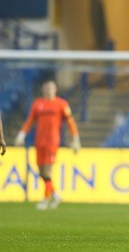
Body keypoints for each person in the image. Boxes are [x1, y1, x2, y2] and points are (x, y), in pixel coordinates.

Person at [15, 79, 81, 210]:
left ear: (55, 90)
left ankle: (45, 199)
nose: (49, 90)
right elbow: (30, 121)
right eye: (47, 88)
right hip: (39, 141)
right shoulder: (38, 104)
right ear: (43, 89)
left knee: (48, 171)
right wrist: (21, 134)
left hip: (52, 141)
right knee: (41, 172)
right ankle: (55, 194)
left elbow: (70, 122)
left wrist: (75, 139)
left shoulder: (61, 104)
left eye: (52, 88)